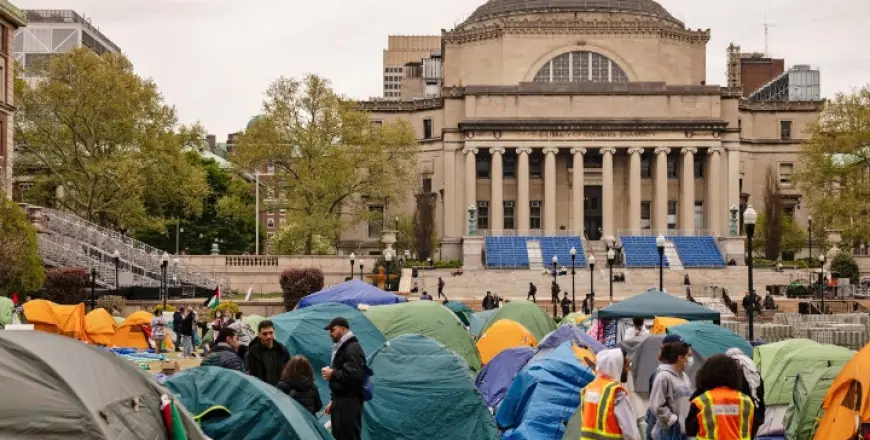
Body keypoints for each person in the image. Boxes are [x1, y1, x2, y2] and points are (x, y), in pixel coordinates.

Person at [685, 354, 755, 439]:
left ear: (706, 374)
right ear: (735, 374)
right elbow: (751, 428)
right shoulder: (746, 401)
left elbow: (690, 430)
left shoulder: (700, 401)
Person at [579, 348, 641, 440]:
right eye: (626, 365)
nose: (628, 369)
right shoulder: (616, 393)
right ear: (617, 365)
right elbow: (631, 433)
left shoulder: (588, 389)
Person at [323, 317, 368, 440]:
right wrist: (334, 400)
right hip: (341, 401)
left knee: (348, 436)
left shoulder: (353, 348)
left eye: (333, 330)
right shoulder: (343, 347)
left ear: (343, 328)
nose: (330, 334)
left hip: (349, 402)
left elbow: (355, 376)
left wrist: (332, 373)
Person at [649, 336, 694, 440]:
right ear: (680, 358)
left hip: (683, 430)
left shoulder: (685, 377)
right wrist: (672, 419)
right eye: (689, 355)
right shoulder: (663, 377)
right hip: (668, 431)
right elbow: (655, 404)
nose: (690, 359)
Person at [726, 348, 765, 437]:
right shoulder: (752, 368)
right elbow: (760, 393)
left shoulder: (729, 370)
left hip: (735, 415)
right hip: (753, 413)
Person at [246, 320, 291, 386]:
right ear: (259, 334)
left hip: (281, 391)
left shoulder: (282, 350)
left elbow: (288, 370)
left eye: (271, 333)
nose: (268, 336)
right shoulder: (252, 353)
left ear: (274, 332)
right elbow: (251, 377)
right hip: (263, 392)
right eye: (265, 334)